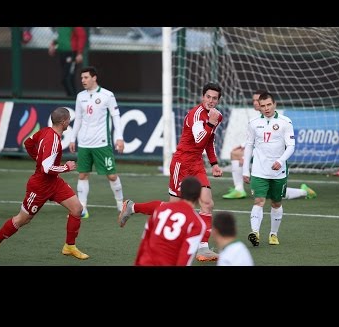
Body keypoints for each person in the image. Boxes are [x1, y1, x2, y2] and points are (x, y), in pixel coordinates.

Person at [118, 82, 223, 262]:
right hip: (181, 163)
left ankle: (203, 248)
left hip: (196, 164)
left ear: (218, 100)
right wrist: (210, 124)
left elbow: (208, 141)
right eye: (208, 97)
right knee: (173, 208)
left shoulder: (216, 116)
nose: (211, 101)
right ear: (202, 97)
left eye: (215, 98)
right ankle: (132, 207)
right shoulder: (195, 115)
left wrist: (213, 163)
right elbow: (199, 140)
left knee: (207, 202)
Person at [0, 107, 89, 261]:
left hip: (53, 182)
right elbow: (46, 168)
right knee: (23, 219)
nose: (69, 122)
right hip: (40, 186)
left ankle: (69, 246)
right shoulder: (53, 139)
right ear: (63, 122)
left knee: (77, 209)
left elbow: (28, 143)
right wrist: (66, 167)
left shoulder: (45, 131)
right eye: (68, 120)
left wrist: (38, 158)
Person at [223, 90, 316, 200]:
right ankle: (239, 189)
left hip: (275, 158)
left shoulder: (279, 121)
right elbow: (258, 138)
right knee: (235, 153)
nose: (255, 103)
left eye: (257, 100)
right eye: (253, 101)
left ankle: (303, 192)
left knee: (274, 193)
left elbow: (269, 141)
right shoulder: (257, 120)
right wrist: (244, 145)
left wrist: (248, 156)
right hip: (261, 157)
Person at [69, 66, 125, 218]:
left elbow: (115, 116)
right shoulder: (80, 96)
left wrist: (119, 137)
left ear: (94, 78)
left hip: (102, 142)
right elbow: (79, 118)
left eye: (86, 77)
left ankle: (121, 204)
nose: (83, 81)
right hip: (84, 143)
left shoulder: (107, 95)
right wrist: (72, 138)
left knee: (112, 176)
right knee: (82, 175)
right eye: (82, 78)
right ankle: (82, 208)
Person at [243, 92, 295, 247]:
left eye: (268, 105)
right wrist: (246, 169)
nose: (266, 108)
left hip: (279, 172)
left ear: (275, 104)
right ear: (259, 106)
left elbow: (291, 146)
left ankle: (273, 234)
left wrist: (281, 160)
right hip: (259, 170)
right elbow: (249, 146)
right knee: (259, 201)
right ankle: (255, 233)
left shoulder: (285, 122)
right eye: (263, 105)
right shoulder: (253, 123)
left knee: (276, 203)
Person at [134, 176, 206, 266]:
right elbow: (185, 257)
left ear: (180, 192)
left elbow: (145, 240)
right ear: (199, 196)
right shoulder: (197, 223)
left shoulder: (160, 209)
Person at [48, 27, 87, 97]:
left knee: (67, 78)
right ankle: (70, 98)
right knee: (65, 79)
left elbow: (81, 36)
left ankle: (73, 99)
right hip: (62, 53)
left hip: (71, 54)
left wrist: (79, 53)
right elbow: (61, 37)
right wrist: (53, 45)